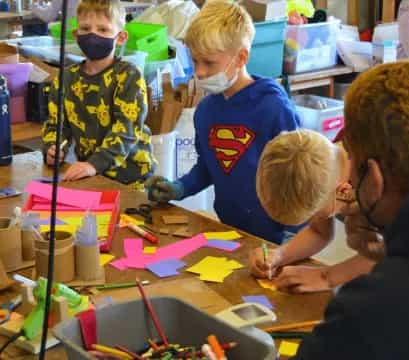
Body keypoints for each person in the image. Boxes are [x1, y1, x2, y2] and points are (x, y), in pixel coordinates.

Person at [293, 60, 409, 359]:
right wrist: (397, 252)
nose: (349, 177)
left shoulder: (370, 312)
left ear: (375, 180)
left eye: (351, 158)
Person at [146, 0, 300, 244]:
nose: (199, 72)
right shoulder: (206, 111)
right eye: (195, 61)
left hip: (276, 239)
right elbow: (209, 169)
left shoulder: (273, 108)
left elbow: (299, 179)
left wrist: (293, 241)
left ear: (241, 57)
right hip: (230, 231)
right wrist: (178, 188)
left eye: (209, 62)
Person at [249, 129, 380, 293]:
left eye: (316, 214)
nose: (315, 219)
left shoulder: (389, 181)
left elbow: (399, 253)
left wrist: (326, 276)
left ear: (342, 191)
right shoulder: (324, 168)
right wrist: (280, 255)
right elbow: (319, 232)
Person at [42, 0, 155, 188]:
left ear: (121, 37)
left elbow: (126, 129)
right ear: (76, 35)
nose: (93, 35)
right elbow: (56, 124)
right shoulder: (65, 78)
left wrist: (94, 164)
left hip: (132, 177)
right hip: (92, 176)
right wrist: (52, 149)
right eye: (86, 28)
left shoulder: (129, 76)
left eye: (103, 30)